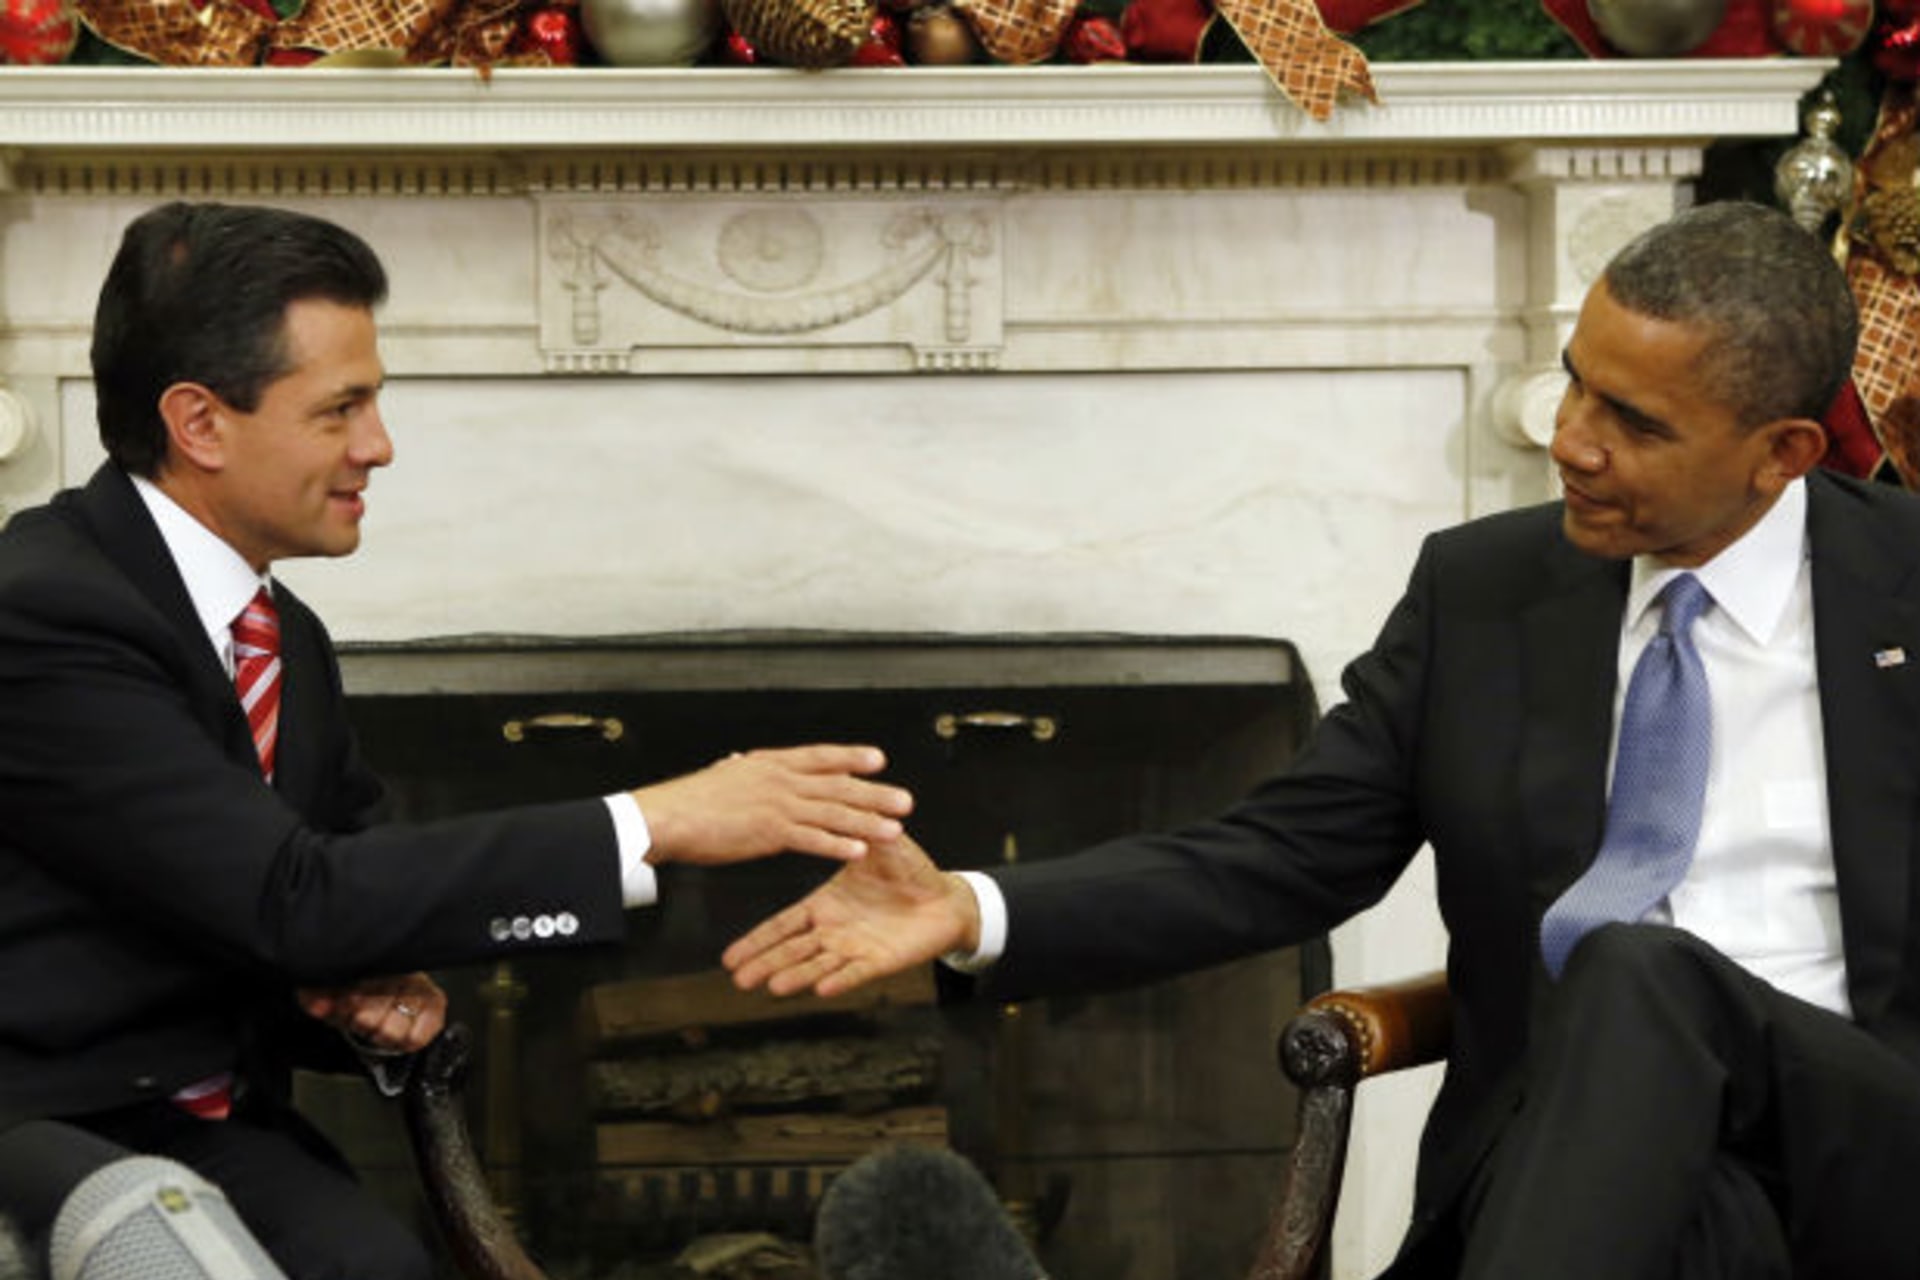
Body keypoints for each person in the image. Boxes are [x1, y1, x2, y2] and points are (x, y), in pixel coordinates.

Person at [724, 200, 1920, 1279]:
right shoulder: (1488, 590)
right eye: (1573, 384)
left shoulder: (1903, 587)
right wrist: (975, 909)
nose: (1571, 439)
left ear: (1783, 454)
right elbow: (1282, 854)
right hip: (1580, 1158)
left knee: (1638, 968)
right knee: (1689, 1220)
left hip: (1865, 1148)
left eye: (1634, 421)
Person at [0, 201, 915, 1280]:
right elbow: (296, 896)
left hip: (210, 1122)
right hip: (36, 1122)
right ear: (201, 423)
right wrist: (655, 820)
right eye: (341, 409)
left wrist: (376, 991)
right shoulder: (46, 611)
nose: (378, 446)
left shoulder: (282, 635)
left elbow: (348, 895)